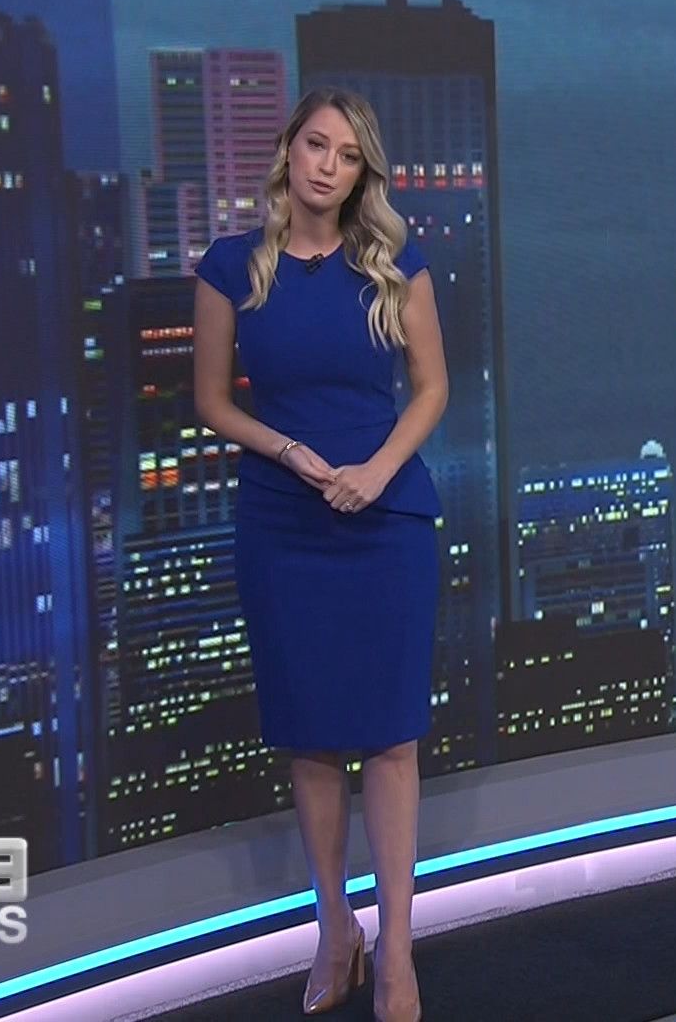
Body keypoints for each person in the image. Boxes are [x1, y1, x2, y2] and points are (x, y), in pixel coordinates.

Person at [193, 85, 443, 1022]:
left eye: (346, 155)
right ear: (289, 149)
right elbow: (211, 402)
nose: (327, 166)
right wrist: (290, 452)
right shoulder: (231, 268)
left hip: (384, 518)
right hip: (283, 522)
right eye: (315, 145)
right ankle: (335, 930)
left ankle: (398, 954)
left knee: (390, 737)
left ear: (361, 172)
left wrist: (375, 472)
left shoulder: (393, 263)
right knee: (311, 741)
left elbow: (432, 387)